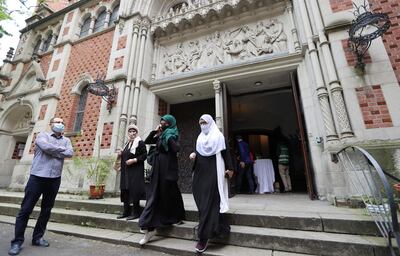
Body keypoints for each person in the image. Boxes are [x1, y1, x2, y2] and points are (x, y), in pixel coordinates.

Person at [8, 117, 73, 256]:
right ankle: (17, 242)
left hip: (54, 179)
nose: (60, 124)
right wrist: (59, 151)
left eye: (62, 122)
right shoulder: (42, 135)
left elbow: (70, 153)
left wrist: (54, 151)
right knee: (25, 210)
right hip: (37, 178)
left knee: (46, 210)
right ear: (51, 124)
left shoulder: (67, 140)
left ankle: (37, 237)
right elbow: (45, 146)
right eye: (57, 122)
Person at [138, 114, 185, 245]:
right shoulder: (161, 134)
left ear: (170, 123)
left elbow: (176, 148)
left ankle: (170, 218)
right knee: (158, 194)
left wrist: (168, 137)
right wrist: (156, 131)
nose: (162, 122)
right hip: (157, 169)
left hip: (167, 168)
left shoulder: (171, 134)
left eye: (164, 121)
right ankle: (150, 225)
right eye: (161, 121)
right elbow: (146, 141)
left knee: (169, 193)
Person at [189, 114, 233, 253]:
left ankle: (203, 237)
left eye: (205, 122)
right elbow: (198, 153)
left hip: (213, 173)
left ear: (211, 123)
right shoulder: (200, 138)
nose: (202, 125)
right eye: (200, 123)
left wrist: (230, 168)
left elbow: (226, 154)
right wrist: (194, 156)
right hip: (200, 174)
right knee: (202, 202)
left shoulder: (219, 137)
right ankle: (211, 226)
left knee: (209, 202)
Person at [115, 124, 147, 220]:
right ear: (128, 133)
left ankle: (136, 213)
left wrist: (134, 160)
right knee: (125, 190)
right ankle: (126, 212)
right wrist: (121, 153)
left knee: (134, 190)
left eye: (134, 132)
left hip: (135, 171)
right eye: (130, 131)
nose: (132, 133)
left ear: (137, 133)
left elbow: (145, 155)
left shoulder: (140, 142)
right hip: (126, 171)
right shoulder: (127, 143)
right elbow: (126, 155)